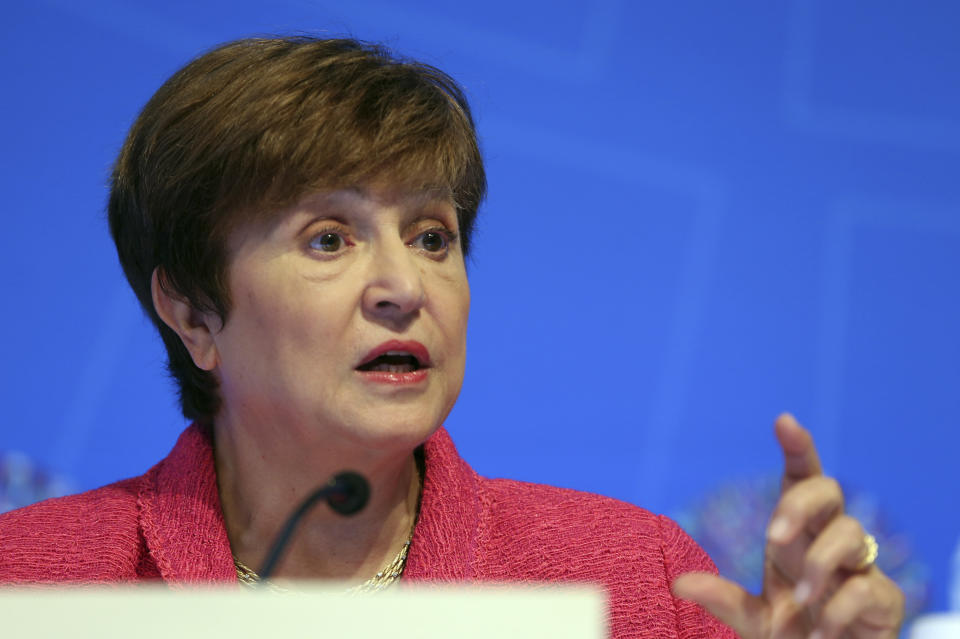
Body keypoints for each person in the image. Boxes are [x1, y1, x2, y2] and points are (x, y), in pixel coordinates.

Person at [0, 36, 903, 638]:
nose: (404, 287)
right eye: (330, 239)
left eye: (433, 237)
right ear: (193, 311)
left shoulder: (631, 579)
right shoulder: (35, 582)